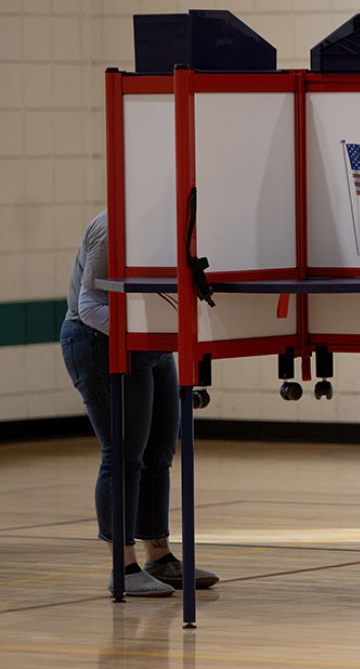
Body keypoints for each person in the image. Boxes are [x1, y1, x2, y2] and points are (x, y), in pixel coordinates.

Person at [60, 210, 219, 597]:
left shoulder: (185, 224)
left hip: (152, 342)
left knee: (160, 451)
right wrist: (141, 333)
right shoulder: (112, 225)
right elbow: (89, 305)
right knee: (125, 453)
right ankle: (123, 564)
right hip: (99, 341)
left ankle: (159, 556)